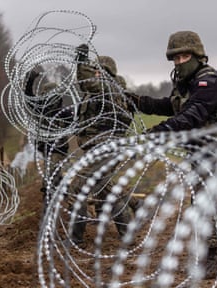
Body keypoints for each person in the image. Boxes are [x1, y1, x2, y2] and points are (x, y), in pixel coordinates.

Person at [128, 31, 217, 279]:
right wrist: (137, 101)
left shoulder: (210, 83)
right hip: (201, 154)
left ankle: (213, 259)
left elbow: (192, 116)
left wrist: (157, 134)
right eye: (175, 59)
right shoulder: (186, 86)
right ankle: (216, 255)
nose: (179, 63)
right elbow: (172, 106)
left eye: (185, 56)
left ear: (198, 56)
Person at [65, 44, 142, 246]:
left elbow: (87, 81)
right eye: (94, 70)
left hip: (105, 149)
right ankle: (129, 231)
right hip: (98, 149)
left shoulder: (109, 88)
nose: (96, 73)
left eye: (99, 71)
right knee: (105, 191)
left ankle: (76, 238)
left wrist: (81, 62)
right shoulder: (100, 91)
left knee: (77, 188)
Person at [24, 70, 72, 209]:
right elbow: (28, 96)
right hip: (46, 148)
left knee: (51, 174)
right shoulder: (41, 110)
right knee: (53, 173)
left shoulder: (64, 112)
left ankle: (52, 201)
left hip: (58, 149)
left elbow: (75, 123)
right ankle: (61, 196)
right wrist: (30, 79)